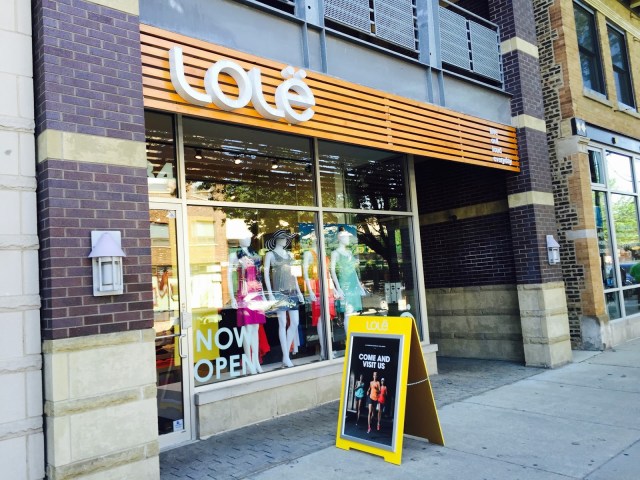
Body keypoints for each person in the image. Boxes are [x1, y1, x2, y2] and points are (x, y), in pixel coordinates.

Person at [264, 229, 304, 368]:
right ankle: (286, 357)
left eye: (286, 238)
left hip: (292, 291)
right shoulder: (270, 255)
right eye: (283, 237)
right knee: (282, 323)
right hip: (279, 293)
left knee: (295, 322)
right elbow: (266, 275)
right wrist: (270, 293)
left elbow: (294, 275)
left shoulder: (290, 254)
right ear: (276, 240)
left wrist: (299, 291)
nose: (285, 240)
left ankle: (285, 355)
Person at [228, 234, 265, 374]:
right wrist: (232, 297)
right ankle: (249, 362)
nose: (248, 239)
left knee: (255, 328)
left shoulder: (254, 254)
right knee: (248, 329)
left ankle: (256, 361)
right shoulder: (234, 255)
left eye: (249, 237)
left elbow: (259, 277)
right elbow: (229, 277)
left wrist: (263, 294)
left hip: (256, 294)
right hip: (244, 294)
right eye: (244, 236)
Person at [330, 227, 366, 333]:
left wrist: (359, 286)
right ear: (340, 238)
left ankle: (353, 337)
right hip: (344, 285)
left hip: (353, 285)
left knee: (353, 314)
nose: (348, 239)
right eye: (346, 237)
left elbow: (353, 271)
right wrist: (338, 288)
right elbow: (332, 271)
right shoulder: (335, 253)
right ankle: (348, 339)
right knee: (348, 313)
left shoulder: (349, 252)